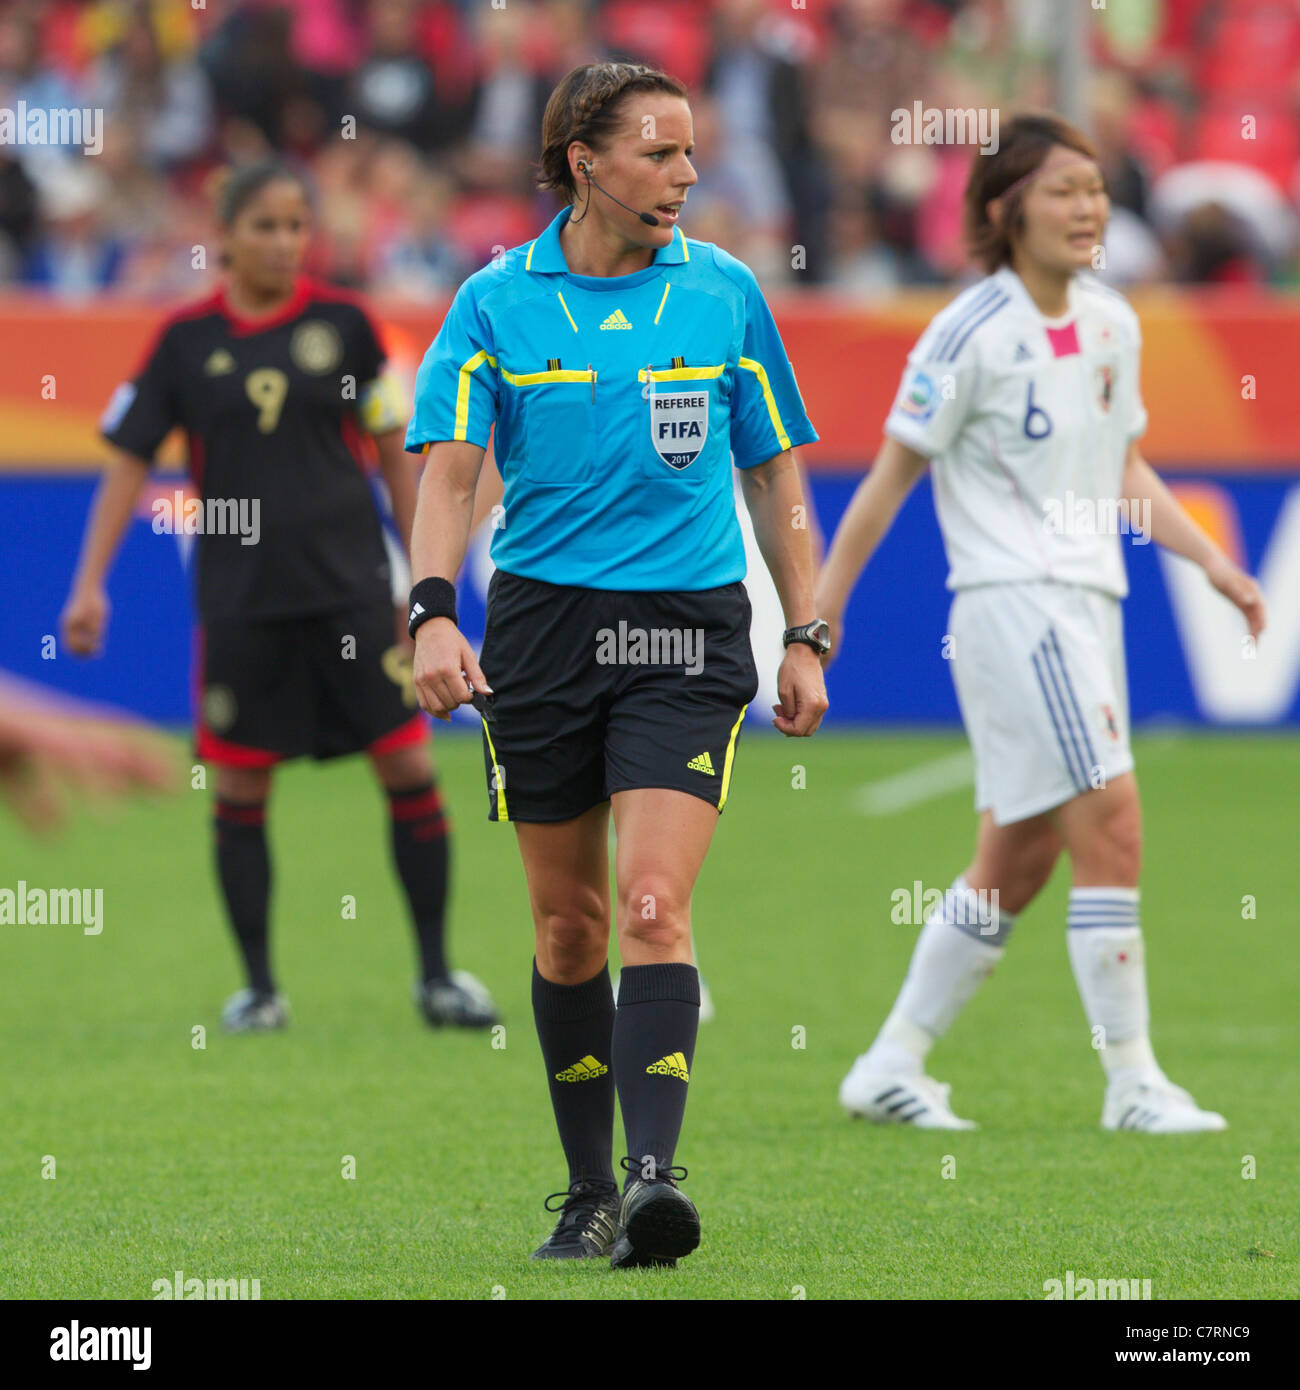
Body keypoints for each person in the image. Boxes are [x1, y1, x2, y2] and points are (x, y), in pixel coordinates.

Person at [405, 62, 828, 1267]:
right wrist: (434, 611)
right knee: (567, 926)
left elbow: (776, 475)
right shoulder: (493, 302)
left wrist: (803, 630)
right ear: (583, 162)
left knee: (651, 902)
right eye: (659, 154)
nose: (686, 176)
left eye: (692, 154)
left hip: (687, 632)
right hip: (540, 631)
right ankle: (585, 1187)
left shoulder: (727, 295)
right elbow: (447, 474)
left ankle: (652, 1182)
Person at [816, 114, 1266, 1133]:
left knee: (1015, 857)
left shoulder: (1114, 322)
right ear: (1002, 209)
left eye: (1096, 190)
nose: (1088, 208)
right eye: (1063, 190)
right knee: (1113, 820)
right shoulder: (968, 331)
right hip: (1013, 606)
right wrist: (820, 619)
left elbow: (1121, 468)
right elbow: (888, 484)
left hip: (1088, 601)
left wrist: (1212, 563)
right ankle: (1134, 1083)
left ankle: (889, 1061)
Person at [61, 159, 497, 1034]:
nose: (282, 241)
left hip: (349, 595)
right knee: (239, 790)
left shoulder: (345, 328)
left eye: (296, 225)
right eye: (263, 225)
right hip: (242, 601)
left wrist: (424, 591)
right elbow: (128, 460)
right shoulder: (183, 343)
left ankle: (436, 975)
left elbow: (391, 452)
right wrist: (88, 585)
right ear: (222, 237)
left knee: (408, 768)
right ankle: (260, 989)